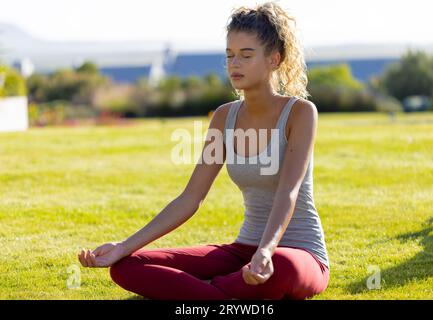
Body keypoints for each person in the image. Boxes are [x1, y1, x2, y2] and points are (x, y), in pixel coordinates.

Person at [78, 1, 330, 300]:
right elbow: (190, 198)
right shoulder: (224, 118)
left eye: (246, 55)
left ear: (274, 59)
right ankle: (226, 290)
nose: (234, 64)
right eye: (230, 55)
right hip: (243, 250)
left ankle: (209, 290)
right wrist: (123, 246)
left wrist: (266, 250)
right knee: (127, 266)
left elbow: (287, 192)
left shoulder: (300, 113)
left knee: (283, 268)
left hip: (297, 252)